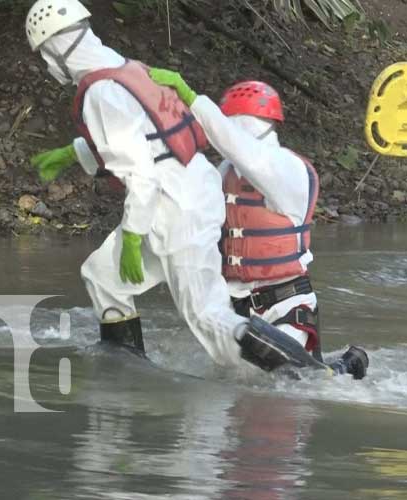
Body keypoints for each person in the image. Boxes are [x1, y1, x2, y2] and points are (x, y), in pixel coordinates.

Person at [25, 0, 332, 375]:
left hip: (174, 208)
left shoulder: (99, 92)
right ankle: (123, 363)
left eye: (44, 55)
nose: (46, 64)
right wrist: (75, 153)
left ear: (54, 49)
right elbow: (145, 136)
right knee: (102, 276)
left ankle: (311, 375)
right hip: (180, 195)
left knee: (208, 317)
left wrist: (134, 238)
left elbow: (140, 171)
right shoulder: (123, 67)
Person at [146, 70, 368, 380]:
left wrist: (192, 98)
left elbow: (246, 153)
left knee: (291, 391)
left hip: (284, 305)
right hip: (235, 309)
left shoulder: (285, 168)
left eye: (229, 122)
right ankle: (335, 366)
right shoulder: (224, 171)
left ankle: (341, 369)